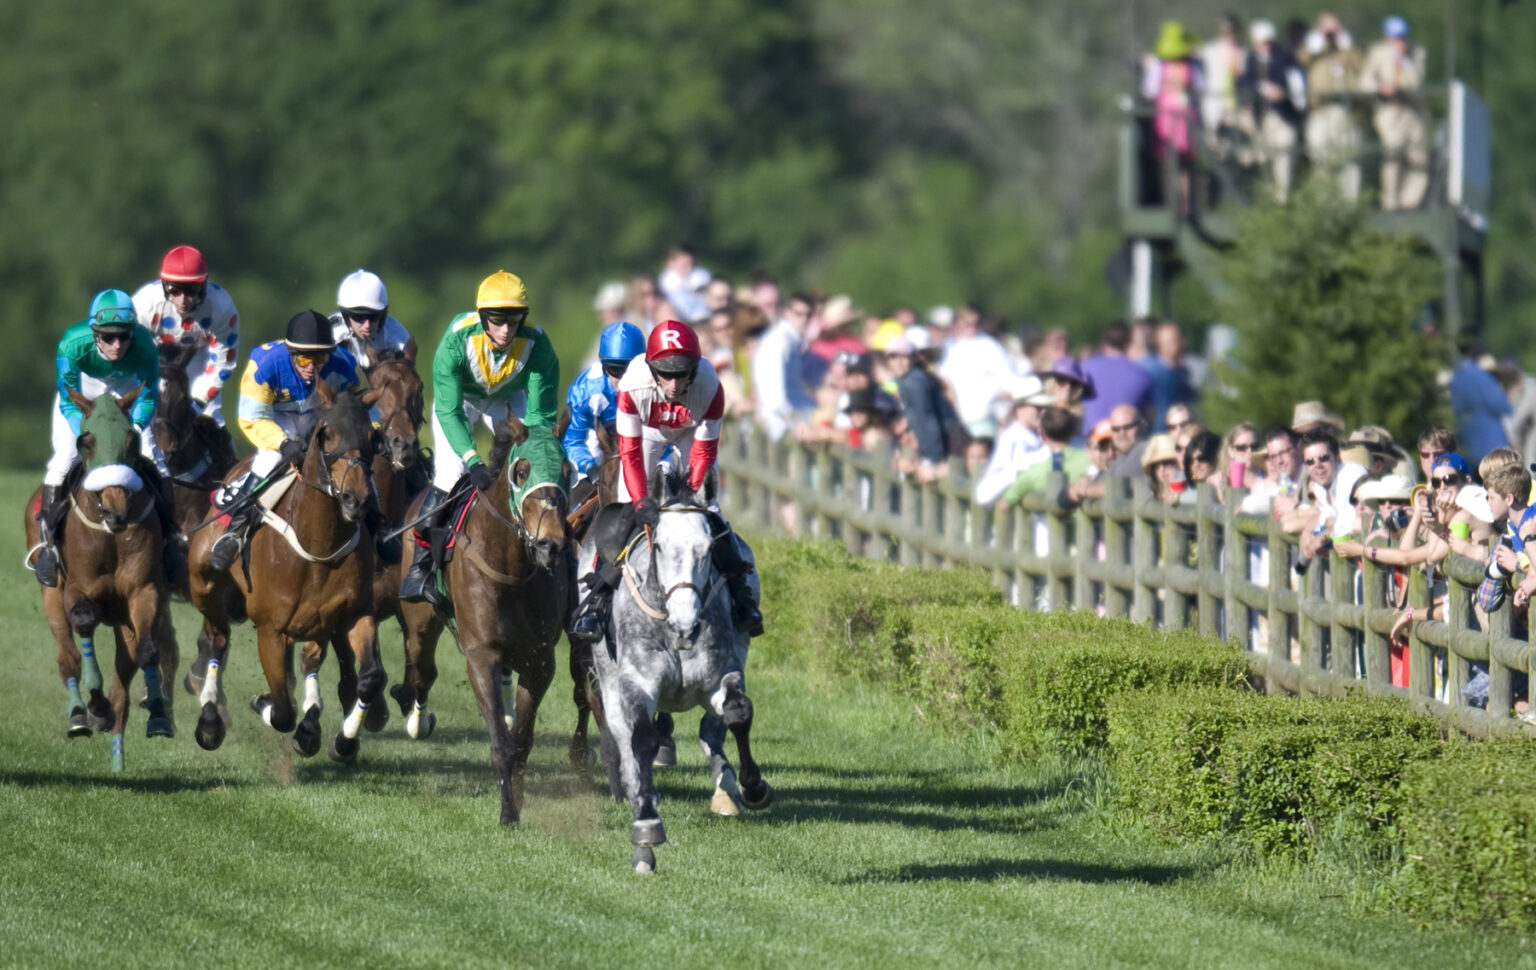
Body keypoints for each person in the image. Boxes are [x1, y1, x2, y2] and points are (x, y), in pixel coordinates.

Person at [567, 319, 762, 642]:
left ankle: (741, 592)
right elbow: (629, 453)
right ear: (650, 367)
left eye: (682, 372)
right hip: (646, 433)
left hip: (690, 433)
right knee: (624, 504)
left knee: (709, 507)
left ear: (695, 370)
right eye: (666, 373)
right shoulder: (632, 385)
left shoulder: (711, 386)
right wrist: (642, 500)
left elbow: (702, 454)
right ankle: (597, 600)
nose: (673, 383)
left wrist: (692, 498)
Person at [400, 271, 560, 603]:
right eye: (497, 320)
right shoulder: (455, 342)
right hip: (462, 403)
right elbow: (449, 412)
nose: (505, 329)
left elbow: (540, 420)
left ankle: (556, 553)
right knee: (450, 474)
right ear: (483, 317)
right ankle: (421, 566)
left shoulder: (539, 345)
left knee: (537, 466)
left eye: (514, 319)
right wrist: (473, 460)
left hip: (508, 399)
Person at [33, 290, 169, 588]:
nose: (117, 344)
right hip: (83, 396)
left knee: (156, 458)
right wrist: (87, 428)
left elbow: (148, 396)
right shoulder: (72, 344)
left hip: (125, 394)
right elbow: (68, 399)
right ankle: (47, 548)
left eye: (124, 336)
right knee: (65, 459)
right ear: (94, 334)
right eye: (108, 338)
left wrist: (129, 427)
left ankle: (171, 546)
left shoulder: (145, 347)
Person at [211, 310, 362, 571]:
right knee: (272, 458)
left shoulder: (343, 364)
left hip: (320, 415)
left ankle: (379, 526)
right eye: (304, 358)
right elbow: (251, 417)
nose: (311, 367)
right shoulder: (265, 363)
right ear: (291, 352)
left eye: (320, 358)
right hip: (277, 417)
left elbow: (355, 411)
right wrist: (283, 443)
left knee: (356, 461)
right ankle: (235, 532)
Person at [131, 244, 239, 442]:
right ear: (164, 286)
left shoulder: (222, 307)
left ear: (203, 286)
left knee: (211, 418)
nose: (183, 300)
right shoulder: (143, 306)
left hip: (200, 355)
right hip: (157, 356)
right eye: (175, 291)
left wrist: (198, 403)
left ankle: (226, 465)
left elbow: (222, 361)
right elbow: (132, 354)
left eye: (191, 291)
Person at [562, 321, 646, 488]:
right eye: (615, 370)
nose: (623, 379)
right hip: (596, 445)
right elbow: (573, 441)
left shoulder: (654, 385)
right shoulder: (585, 392)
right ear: (604, 366)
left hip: (641, 441)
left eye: (630, 370)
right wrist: (590, 469)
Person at [1359, 16, 1428, 211]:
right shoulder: (1378, 53)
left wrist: (1404, 61)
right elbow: (1364, 81)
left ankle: (1410, 201)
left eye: (1402, 37)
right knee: (1393, 153)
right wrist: (1380, 86)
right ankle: (1390, 201)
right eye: (1395, 37)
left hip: (1413, 112)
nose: (1399, 41)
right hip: (1389, 111)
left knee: (1419, 158)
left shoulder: (1417, 54)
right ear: (1387, 37)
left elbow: (1417, 83)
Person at [1239, 20, 1307, 203]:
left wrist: (1282, 93)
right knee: (1263, 159)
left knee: (1284, 152)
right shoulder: (1250, 60)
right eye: (1261, 42)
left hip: (1282, 115)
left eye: (1268, 42)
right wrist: (1258, 90)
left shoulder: (1286, 57)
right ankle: (1267, 197)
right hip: (1260, 117)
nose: (1265, 46)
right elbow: (1243, 85)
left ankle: (1282, 198)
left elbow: (1297, 83)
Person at [1305, 13, 1363, 201]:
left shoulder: (1348, 52)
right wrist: (1319, 38)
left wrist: (1345, 42)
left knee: (1349, 157)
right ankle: (1323, 203)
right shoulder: (1315, 51)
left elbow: (1362, 65)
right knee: (1321, 157)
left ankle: (1349, 204)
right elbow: (1302, 58)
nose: (1331, 34)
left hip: (1346, 111)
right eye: (1327, 30)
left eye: (1333, 30)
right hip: (1321, 110)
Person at [752, 291, 817, 441]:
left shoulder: (791, 339)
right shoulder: (780, 340)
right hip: (783, 420)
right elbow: (773, 382)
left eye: (808, 315)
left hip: (792, 412)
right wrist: (788, 419)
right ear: (786, 312)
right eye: (799, 314)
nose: (804, 319)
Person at [328, 269, 416, 369]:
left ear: (382, 315)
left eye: (373, 317)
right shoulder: (329, 336)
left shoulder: (399, 341)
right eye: (359, 318)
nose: (367, 325)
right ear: (346, 316)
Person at [1080, 321, 1153, 430]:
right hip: (1126, 440)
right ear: (1129, 342)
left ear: (1104, 341)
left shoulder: (1084, 368)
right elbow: (1149, 417)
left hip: (1089, 441)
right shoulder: (1142, 375)